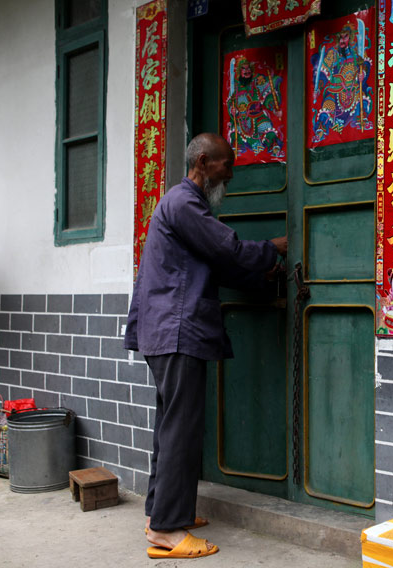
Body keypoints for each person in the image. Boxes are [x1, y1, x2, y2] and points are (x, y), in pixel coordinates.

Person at [125, 132, 287, 559]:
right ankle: (167, 531)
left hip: (167, 330)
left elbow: (213, 262)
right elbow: (226, 249)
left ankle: (159, 514)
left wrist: (259, 273)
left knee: (170, 427)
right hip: (175, 330)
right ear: (202, 161)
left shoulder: (180, 203)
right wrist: (272, 251)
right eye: (226, 165)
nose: (230, 174)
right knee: (180, 429)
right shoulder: (184, 202)